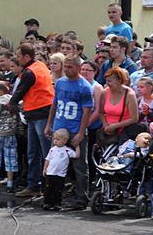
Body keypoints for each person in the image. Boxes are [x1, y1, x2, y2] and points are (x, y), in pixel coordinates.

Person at [44, 55, 93, 208]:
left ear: (78, 67)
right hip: (59, 128)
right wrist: (49, 124)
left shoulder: (84, 87)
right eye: (65, 66)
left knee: (79, 166)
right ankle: (53, 197)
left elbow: (86, 112)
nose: (67, 69)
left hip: (74, 129)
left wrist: (81, 133)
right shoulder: (60, 82)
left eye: (70, 67)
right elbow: (55, 104)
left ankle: (82, 198)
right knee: (55, 164)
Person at [10, 43, 56, 198]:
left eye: (18, 56)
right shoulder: (40, 65)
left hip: (39, 114)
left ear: (26, 57)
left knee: (41, 153)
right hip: (38, 114)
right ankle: (38, 186)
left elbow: (20, 91)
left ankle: (45, 187)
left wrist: (10, 104)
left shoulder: (29, 72)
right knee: (37, 152)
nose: (17, 59)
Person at [98, 67, 139, 144]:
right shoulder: (105, 92)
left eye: (110, 81)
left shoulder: (130, 95)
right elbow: (101, 112)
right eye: (106, 81)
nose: (107, 84)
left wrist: (115, 126)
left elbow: (134, 118)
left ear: (119, 81)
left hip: (124, 132)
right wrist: (105, 125)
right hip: (107, 131)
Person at [41, 129, 78, 211]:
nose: (55, 141)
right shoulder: (52, 149)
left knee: (58, 190)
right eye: (54, 139)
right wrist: (44, 169)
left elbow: (76, 155)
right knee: (48, 189)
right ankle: (47, 203)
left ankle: (57, 204)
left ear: (64, 141)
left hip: (60, 174)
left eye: (58, 139)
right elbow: (47, 160)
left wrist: (77, 146)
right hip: (50, 173)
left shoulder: (67, 150)